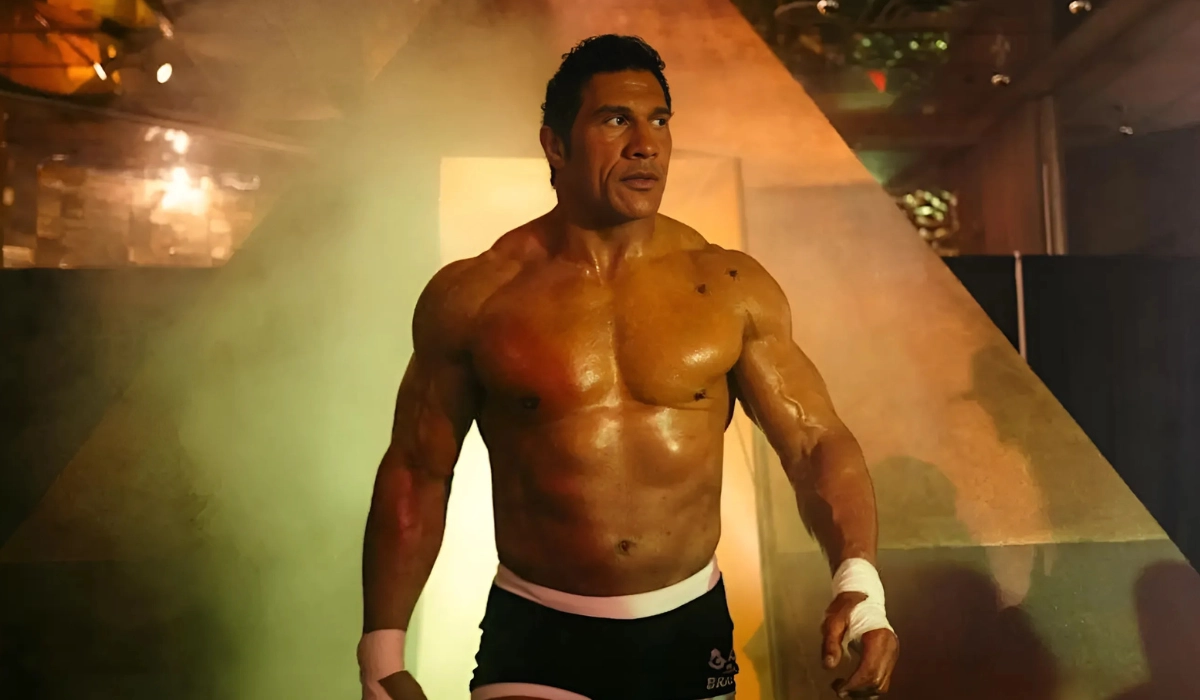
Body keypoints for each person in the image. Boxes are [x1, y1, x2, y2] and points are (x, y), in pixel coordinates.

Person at [359, 34, 899, 700]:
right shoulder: (478, 296)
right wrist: (380, 652)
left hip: (687, 629)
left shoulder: (729, 287)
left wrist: (860, 583)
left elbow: (815, 442)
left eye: (660, 120)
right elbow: (417, 469)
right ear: (556, 146)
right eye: (616, 119)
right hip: (538, 633)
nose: (646, 144)